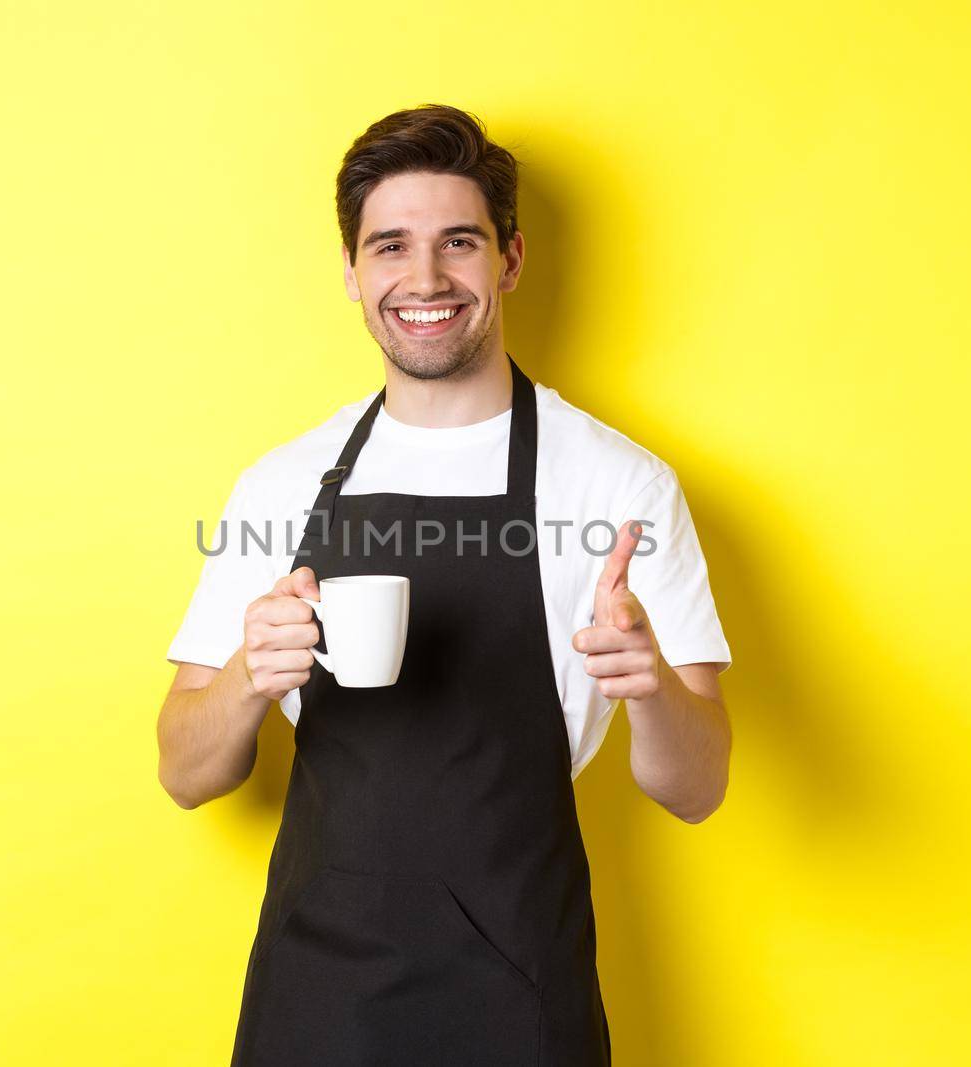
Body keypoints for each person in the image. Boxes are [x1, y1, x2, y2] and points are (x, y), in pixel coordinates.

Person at [158, 103, 733, 1067]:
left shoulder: (618, 485)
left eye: (457, 242)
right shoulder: (284, 484)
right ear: (352, 270)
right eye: (390, 246)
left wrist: (652, 685)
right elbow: (185, 772)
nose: (423, 280)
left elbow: (698, 786)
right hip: (318, 992)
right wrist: (247, 678)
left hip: (519, 986)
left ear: (508, 259)